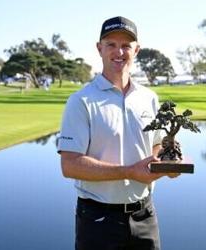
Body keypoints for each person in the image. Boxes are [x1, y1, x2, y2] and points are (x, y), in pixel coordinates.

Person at [57, 16, 178, 250]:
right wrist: (130, 171)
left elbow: (156, 145)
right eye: (111, 44)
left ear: (137, 50)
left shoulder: (149, 98)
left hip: (145, 215)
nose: (119, 51)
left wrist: (166, 163)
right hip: (98, 219)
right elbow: (69, 165)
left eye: (126, 45)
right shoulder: (81, 101)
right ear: (99, 48)